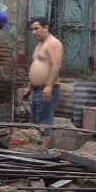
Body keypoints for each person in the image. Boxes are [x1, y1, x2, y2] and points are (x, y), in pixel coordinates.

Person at [22, 17, 64, 148]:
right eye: (32, 30)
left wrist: (49, 86)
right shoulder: (39, 45)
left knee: (44, 123)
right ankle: (35, 149)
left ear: (45, 27)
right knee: (35, 122)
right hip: (37, 90)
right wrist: (29, 86)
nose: (34, 32)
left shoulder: (53, 43)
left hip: (47, 89)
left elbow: (56, 65)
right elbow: (37, 65)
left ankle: (43, 153)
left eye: (36, 29)